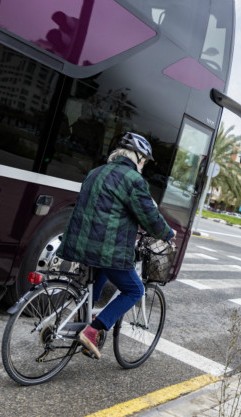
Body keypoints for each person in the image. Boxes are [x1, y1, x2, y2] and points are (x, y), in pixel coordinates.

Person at [56, 132, 175, 359]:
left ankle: (84, 316)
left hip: (79, 243)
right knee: (134, 289)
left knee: (98, 276)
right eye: (144, 161)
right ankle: (92, 331)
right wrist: (167, 233)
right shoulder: (133, 180)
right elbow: (149, 217)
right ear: (139, 158)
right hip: (107, 248)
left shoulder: (95, 172)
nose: (143, 165)